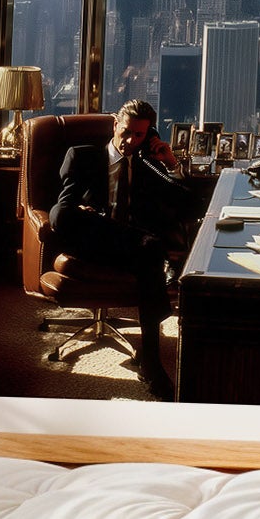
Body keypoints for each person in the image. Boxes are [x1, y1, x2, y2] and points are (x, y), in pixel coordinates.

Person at [51, 99, 187, 398]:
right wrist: (80, 210)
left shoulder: (145, 164)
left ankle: (150, 360)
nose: (129, 141)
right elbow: (61, 214)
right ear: (115, 124)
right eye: (125, 132)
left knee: (148, 251)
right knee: (150, 249)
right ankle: (151, 361)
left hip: (131, 245)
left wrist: (170, 162)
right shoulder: (82, 156)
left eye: (139, 135)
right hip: (93, 240)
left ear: (148, 135)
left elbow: (187, 204)